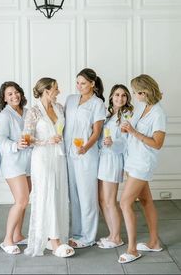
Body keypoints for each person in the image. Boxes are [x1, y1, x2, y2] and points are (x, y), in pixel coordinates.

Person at [23, 77, 75, 258]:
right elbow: (27, 139)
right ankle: (54, 241)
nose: (58, 91)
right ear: (46, 91)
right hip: (42, 158)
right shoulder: (33, 111)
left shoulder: (59, 108)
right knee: (48, 194)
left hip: (59, 158)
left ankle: (57, 235)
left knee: (59, 194)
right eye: (56, 88)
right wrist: (47, 140)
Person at [118, 74, 166, 264]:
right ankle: (154, 242)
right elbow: (133, 131)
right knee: (146, 200)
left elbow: (157, 144)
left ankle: (132, 249)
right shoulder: (142, 107)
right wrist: (127, 129)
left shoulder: (158, 113)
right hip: (133, 160)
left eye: (135, 92)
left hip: (143, 163)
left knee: (124, 203)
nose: (133, 95)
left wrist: (134, 132)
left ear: (144, 92)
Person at [64, 68, 106, 248]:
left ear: (92, 84)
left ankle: (88, 237)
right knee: (73, 195)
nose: (79, 86)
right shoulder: (70, 99)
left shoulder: (98, 104)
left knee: (87, 196)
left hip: (87, 156)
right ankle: (76, 233)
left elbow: (96, 133)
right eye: (77, 82)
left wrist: (85, 148)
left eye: (83, 83)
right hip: (68, 154)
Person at [0, 81, 32, 255]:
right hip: (13, 164)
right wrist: (15, 145)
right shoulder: (5, 115)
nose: (14, 96)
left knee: (24, 202)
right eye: (9, 94)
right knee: (21, 200)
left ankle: (18, 235)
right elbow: (1, 140)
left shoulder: (27, 112)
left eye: (16, 92)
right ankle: (7, 240)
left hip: (28, 163)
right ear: (4, 98)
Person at [97, 84, 133, 249]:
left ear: (127, 99)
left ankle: (117, 237)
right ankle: (112, 234)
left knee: (110, 201)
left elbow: (126, 143)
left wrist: (113, 143)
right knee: (103, 200)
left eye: (124, 95)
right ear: (111, 96)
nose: (120, 98)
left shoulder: (127, 116)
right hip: (103, 159)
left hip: (113, 160)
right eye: (117, 95)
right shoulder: (109, 114)